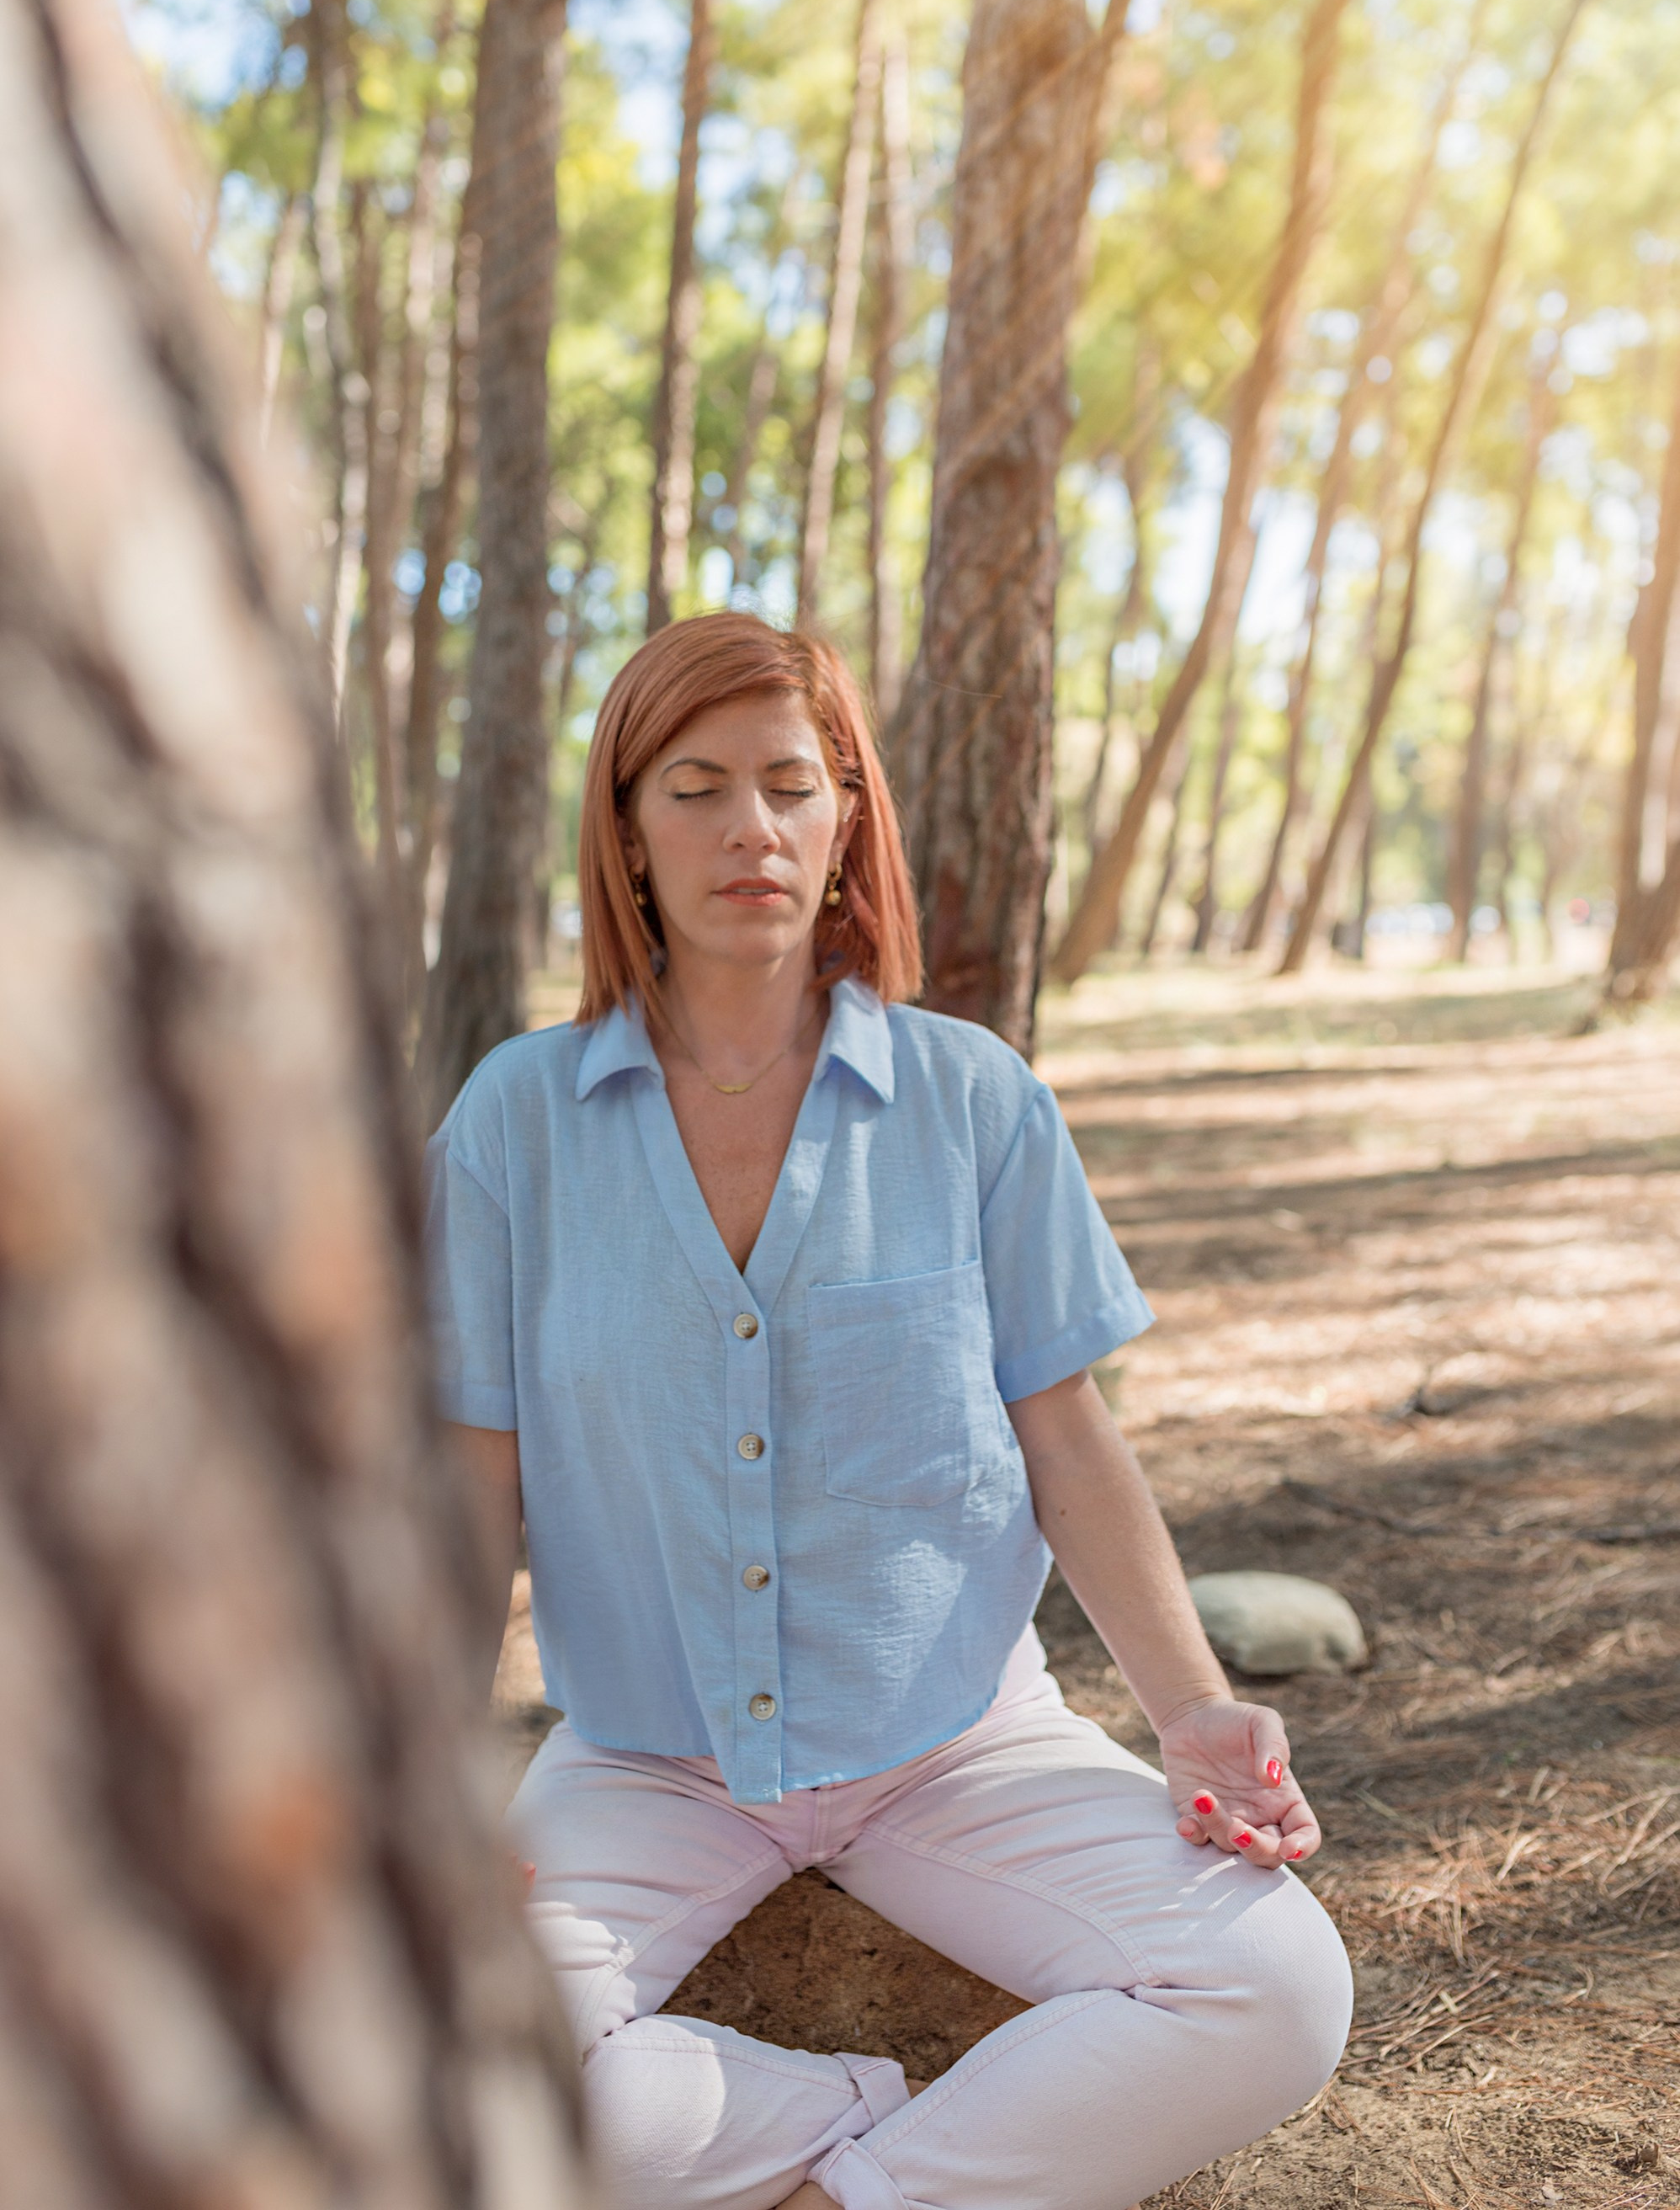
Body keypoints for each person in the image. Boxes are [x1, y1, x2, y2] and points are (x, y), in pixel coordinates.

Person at [427, 611, 1352, 2210]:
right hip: (649, 1759)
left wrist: (1190, 1708)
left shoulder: (973, 1100)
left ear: (848, 816)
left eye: (793, 785)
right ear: (627, 834)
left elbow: (1067, 1438)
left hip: (959, 1746)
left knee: (1280, 1988)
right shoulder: (516, 1122)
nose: (751, 831)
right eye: (695, 789)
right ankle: (854, 2139)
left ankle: (871, 2194)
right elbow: (470, 1489)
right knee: (416, 2062)